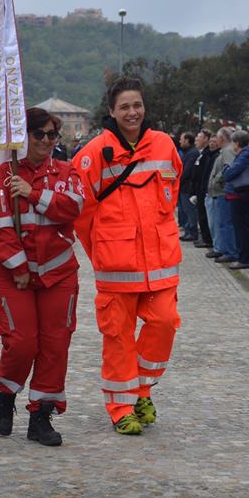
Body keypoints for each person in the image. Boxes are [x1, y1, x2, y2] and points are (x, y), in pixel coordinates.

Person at [72, 76, 182, 436]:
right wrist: (103, 253)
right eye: (124, 107)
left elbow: (172, 192)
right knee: (118, 339)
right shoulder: (92, 155)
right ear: (111, 111)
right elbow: (81, 214)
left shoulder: (165, 145)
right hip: (116, 268)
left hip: (161, 263)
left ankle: (140, 390)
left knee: (164, 323)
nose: (132, 112)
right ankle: (121, 406)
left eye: (137, 105)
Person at [0, 108, 83, 447]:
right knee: (23, 343)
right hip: (15, 277)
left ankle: (41, 417)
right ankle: (6, 393)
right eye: (37, 134)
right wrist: (19, 268)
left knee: (56, 345)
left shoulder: (67, 172)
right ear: (22, 136)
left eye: (51, 135)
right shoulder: (3, 175)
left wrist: (32, 193)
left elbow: (72, 209)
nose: (44, 141)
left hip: (58, 272)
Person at [222, 130, 249, 269]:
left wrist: (226, 168)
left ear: (236, 143)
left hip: (240, 195)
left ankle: (244, 259)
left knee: (241, 228)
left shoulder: (244, 156)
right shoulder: (245, 154)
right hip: (239, 194)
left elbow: (230, 173)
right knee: (241, 227)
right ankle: (243, 256)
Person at [206, 127, 238, 264]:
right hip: (219, 192)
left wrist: (216, 180)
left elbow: (228, 168)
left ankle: (230, 251)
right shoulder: (224, 151)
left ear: (222, 138)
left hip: (223, 192)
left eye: (217, 138)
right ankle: (224, 249)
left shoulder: (228, 151)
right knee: (221, 223)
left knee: (226, 223)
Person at [191, 131, 217, 249]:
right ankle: (205, 238)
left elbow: (205, 173)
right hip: (199, 188)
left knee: (205, 216)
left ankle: (207, 240)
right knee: (201, 214)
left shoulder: (209, 154)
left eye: (213, 142)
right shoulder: (203, 153)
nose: (196, 140)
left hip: (205, 188)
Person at [177, 132, 200, 242]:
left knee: (190, 211)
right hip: (184, 186)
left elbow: (186, 171)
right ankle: (188, 231)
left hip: (187, 187)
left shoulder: (192, 153)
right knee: (186, 210)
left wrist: (178, 180)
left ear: (187, 140)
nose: (180, 141)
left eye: (181, 139)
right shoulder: (188, 152)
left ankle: (192, 232)